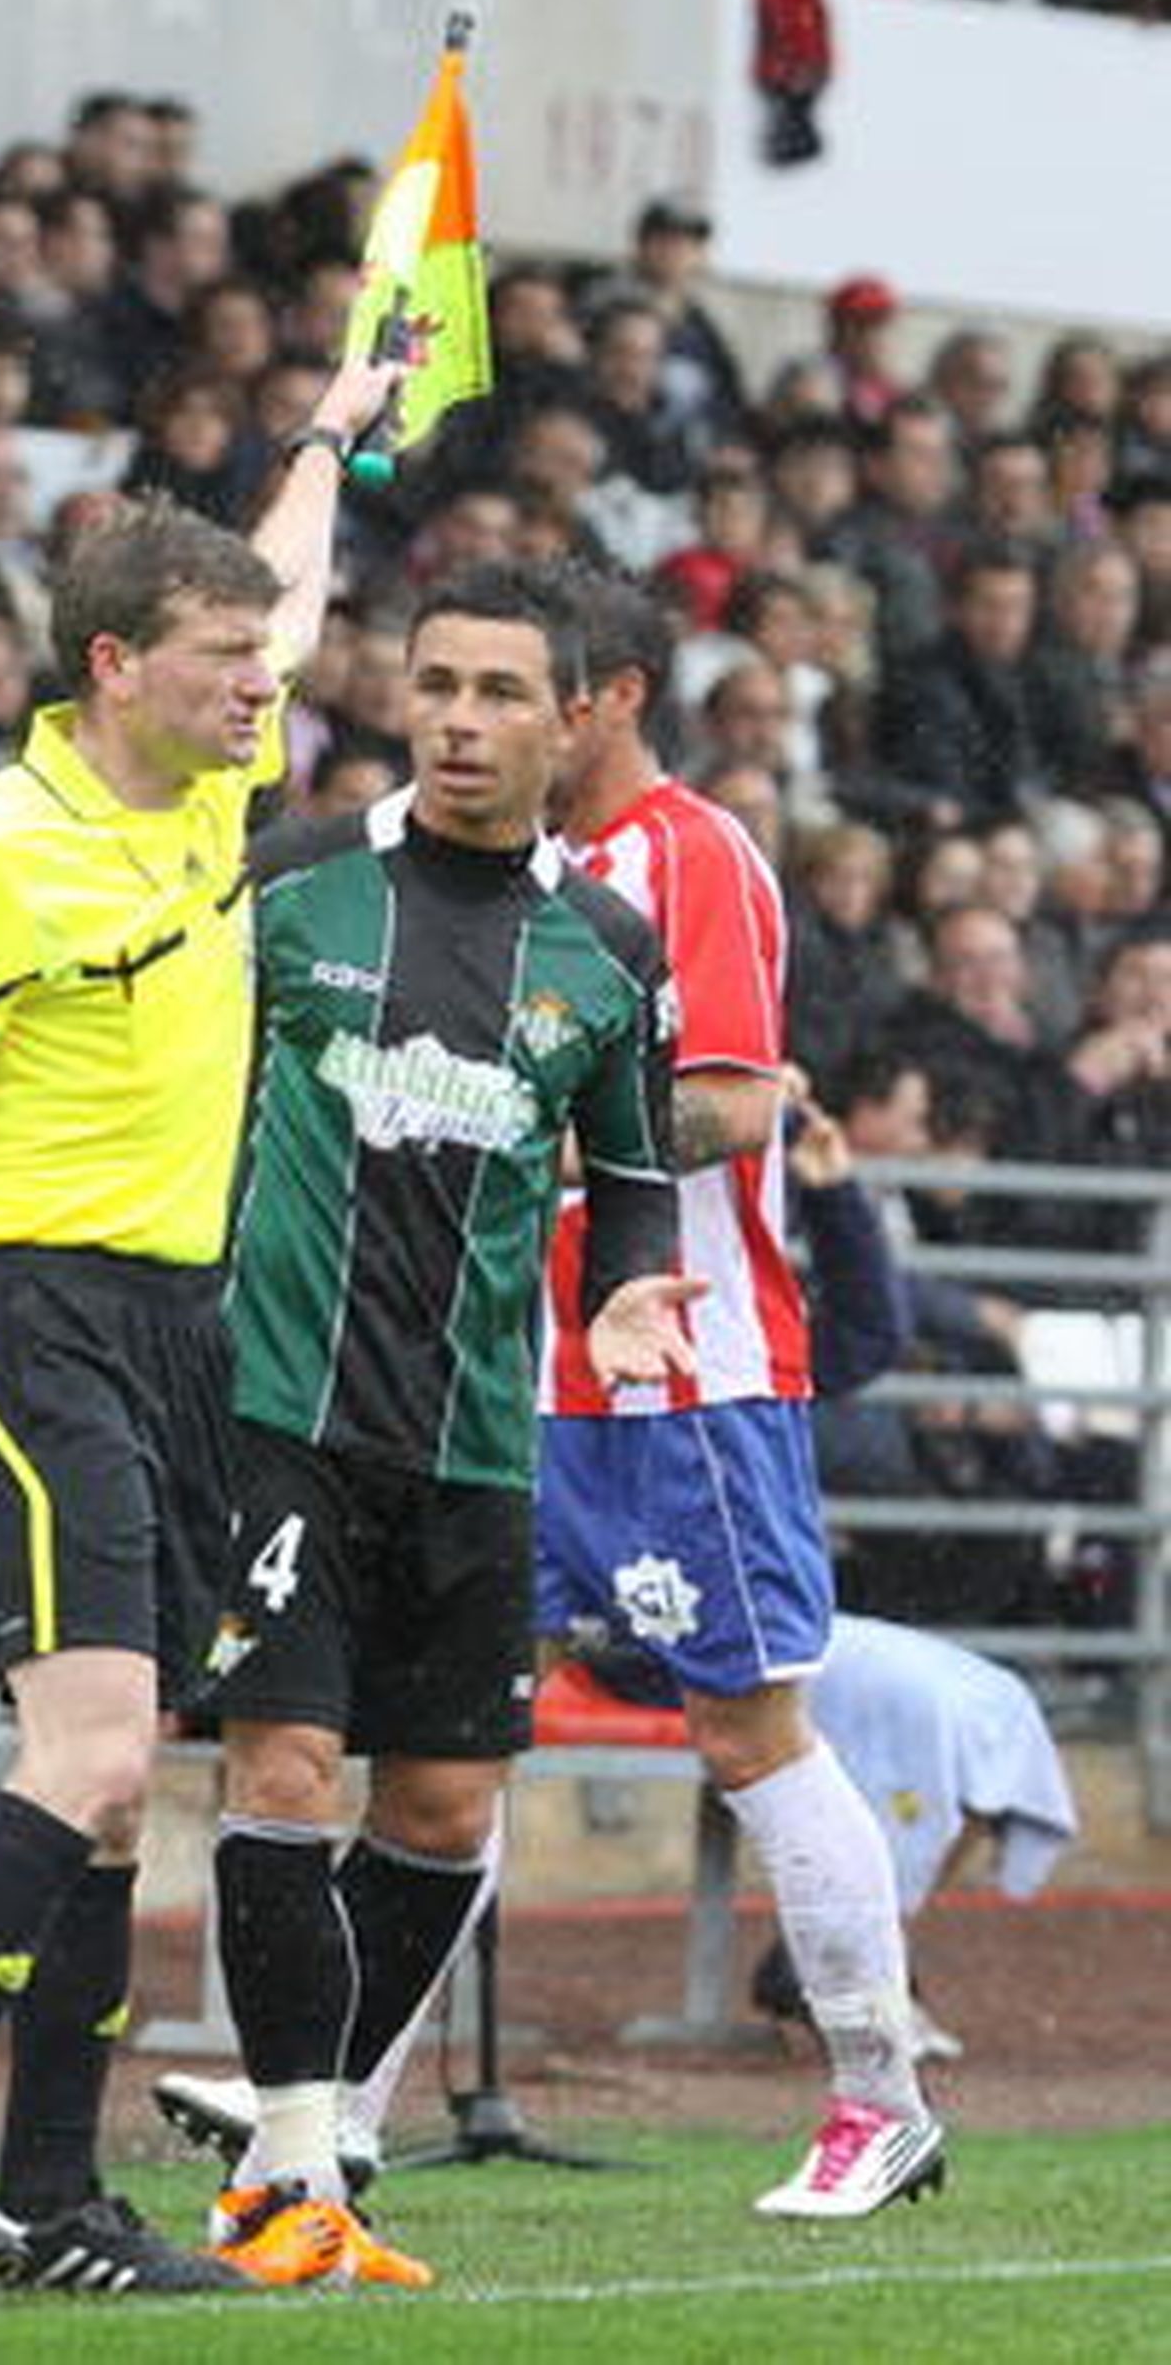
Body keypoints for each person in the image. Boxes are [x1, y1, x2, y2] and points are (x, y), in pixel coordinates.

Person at [0, 356, 397, 2295]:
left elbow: (290, 579)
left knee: (119, 1787)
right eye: (226, 660)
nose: (266, 684)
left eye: (263, 659)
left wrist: (329, 428)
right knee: (95, 1748)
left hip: (181, 1325)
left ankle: (56, 2202)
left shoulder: (207, 786)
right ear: (115, 666)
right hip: (29, 1309)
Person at [196, 558, 696, 2291]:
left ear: (576, 719)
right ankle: (291, 2164)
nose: (461, 722)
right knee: (281, 1768)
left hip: (478, 1442)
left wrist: (620, 1298)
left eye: (500, 694)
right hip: (279, 1411)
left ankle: (296, 2145)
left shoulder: (609, 953)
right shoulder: (293, 883)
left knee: (443, 1814)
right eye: (436, 685)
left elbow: (635, 1177)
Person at [535, 572, 944, 2219]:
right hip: (520, 1373)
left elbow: (735, 1102)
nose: (483, 727)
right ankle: (325, 2116)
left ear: (616, 696)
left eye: (527, 694)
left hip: (690, 1370)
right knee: (447, 1725)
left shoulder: (692, 854)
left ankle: (880, 2098)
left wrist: (507, 1144)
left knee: (749, 1728)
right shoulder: (512, 874)